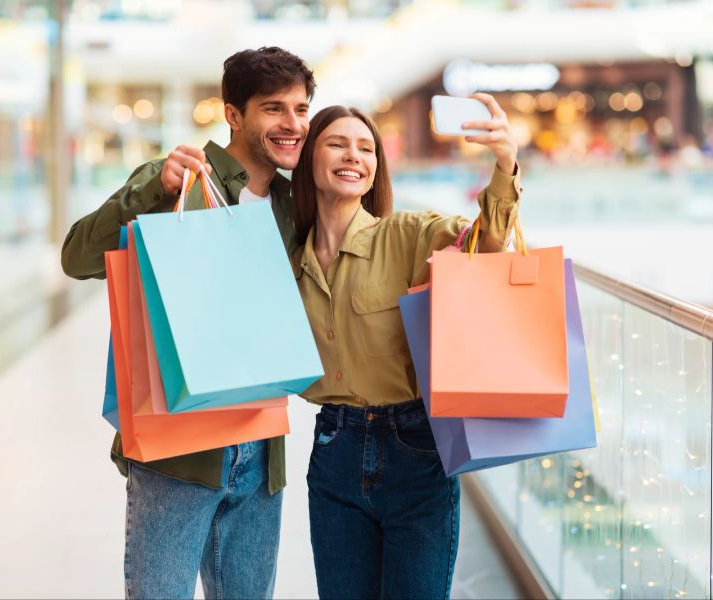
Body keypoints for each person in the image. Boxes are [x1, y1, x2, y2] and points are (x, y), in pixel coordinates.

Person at [60, 47, 314, 599]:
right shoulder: (178, 180)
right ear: (233, 114)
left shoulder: (298, 205)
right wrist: (155, 190)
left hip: (261, 440)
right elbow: (77, 257)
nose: (292, 124)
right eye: (274, 108)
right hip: (178, 445)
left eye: (300, 108)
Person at [289, 97, 521, 599]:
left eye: (366, 148)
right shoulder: (290, 258)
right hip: (334, 450)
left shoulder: (409, 234)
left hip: (416, 450)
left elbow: (486, 248)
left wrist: (504, 164)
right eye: (337, 143)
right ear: (310, 158)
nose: (354, 156)